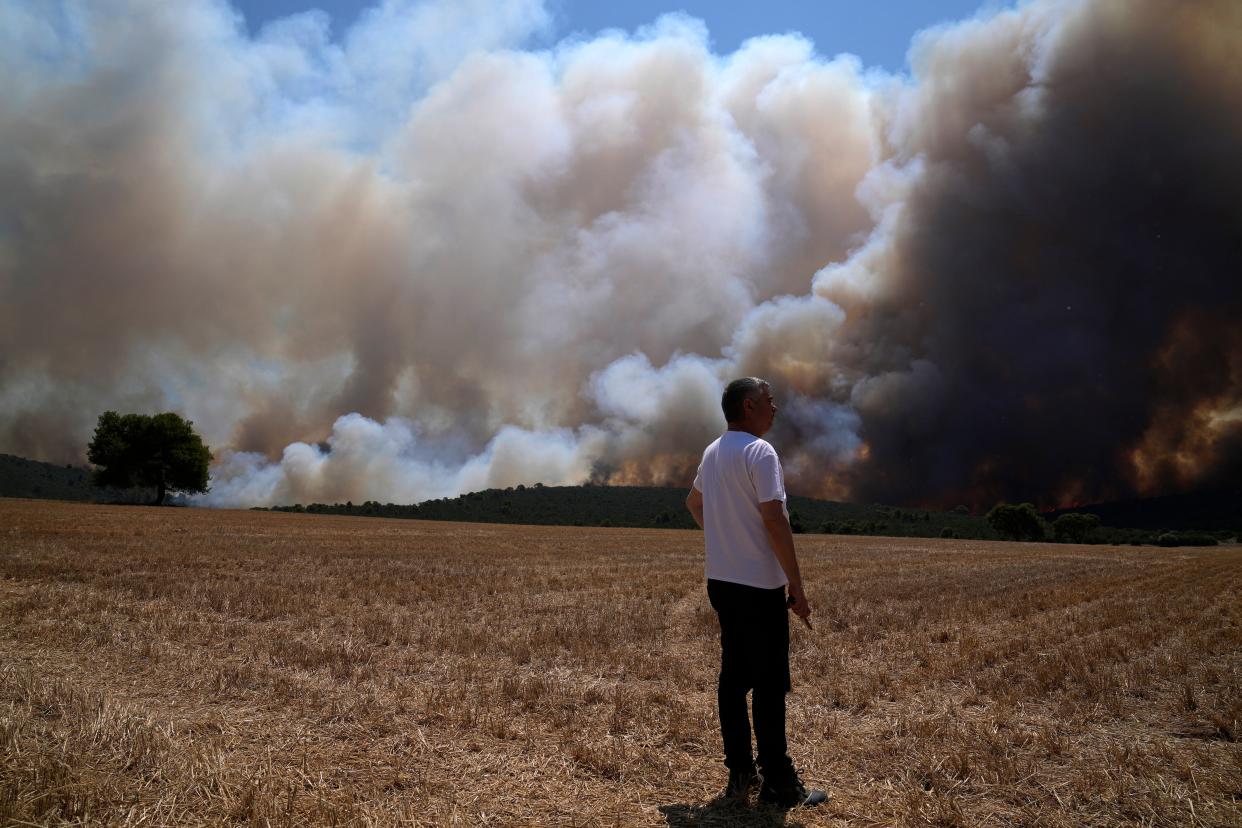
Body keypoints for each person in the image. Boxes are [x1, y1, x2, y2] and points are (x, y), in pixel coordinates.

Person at [685, 377, 827, 809]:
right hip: (759, 586)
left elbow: (693, 503)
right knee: (768, 684)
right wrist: (796, 584)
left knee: (733, 678)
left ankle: (739, 773)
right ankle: (780, 784)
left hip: (722, 582)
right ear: (749, 406)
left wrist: (725, 538)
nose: (776, 407)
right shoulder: (759, 451)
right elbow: (774, 518)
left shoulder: (713, 451)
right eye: (769, 400)